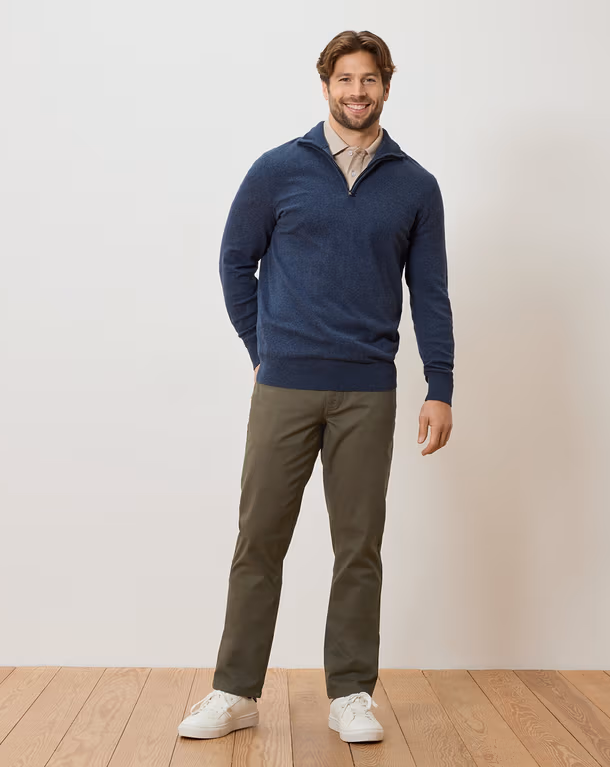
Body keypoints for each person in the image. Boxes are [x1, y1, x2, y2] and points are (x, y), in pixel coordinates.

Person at [178, 29, 454, 744]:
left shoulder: (416, 186)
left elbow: (430, 293)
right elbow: (235, 262)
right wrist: (262, 350)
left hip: (368, 390)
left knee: (359, 547)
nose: (357, 92)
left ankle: (351, 694)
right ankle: (235, 691)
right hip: (286, 386)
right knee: (258, 540)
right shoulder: (278, 170)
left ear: (386, 85)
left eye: (369, 80)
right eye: (345, 80)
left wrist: (440, 385)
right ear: (326, 85)